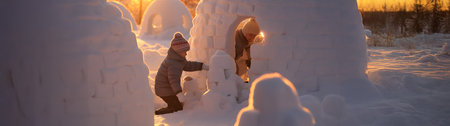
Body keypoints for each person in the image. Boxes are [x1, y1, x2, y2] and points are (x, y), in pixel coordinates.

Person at [154, 32, 209, 115]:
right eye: (184, 51)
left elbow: (189, 65)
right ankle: (161, 112)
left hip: (168, 88)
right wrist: (179, 93)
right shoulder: (173, 64)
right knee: (177, 107)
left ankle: (171, 106)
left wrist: (202, 66)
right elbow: (173, 80)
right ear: (178, 52)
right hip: (164, 90)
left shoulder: (178, 60)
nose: (186, 53)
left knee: (176, 104)